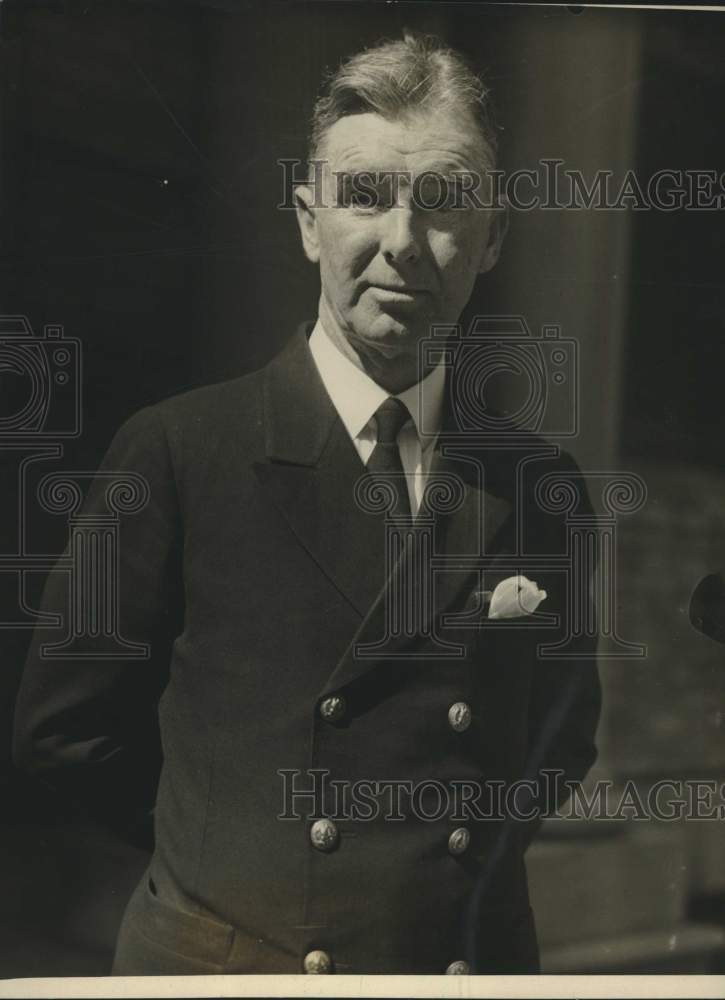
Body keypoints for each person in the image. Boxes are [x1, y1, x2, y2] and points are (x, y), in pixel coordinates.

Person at [13, 32, 601, 975]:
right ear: (306, 222)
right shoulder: (175, 451)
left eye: (445, 204)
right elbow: (66, 736)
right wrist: (236, 864)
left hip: (462, 965)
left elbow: (560, 739)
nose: (402, 243)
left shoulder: (542, 487)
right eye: (364, 197)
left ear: (492, 240)